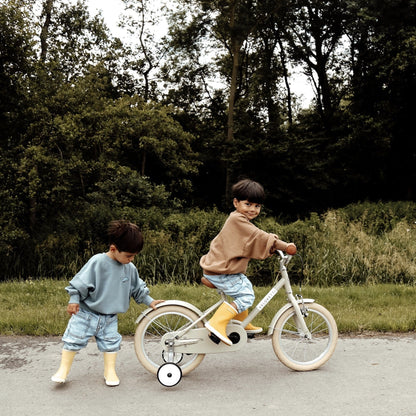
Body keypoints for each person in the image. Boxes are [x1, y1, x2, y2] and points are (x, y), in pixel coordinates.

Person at [51, 220, 164, 386]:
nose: (131, 259)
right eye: (128, 255)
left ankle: (109, 371)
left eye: (134, 256)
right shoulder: (97, 262)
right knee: (73, 339)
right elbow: (80, 283)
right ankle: (63, 370)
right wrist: (74, 300)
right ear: (113, 249)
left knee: (111, 344)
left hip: (110, 318)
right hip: (85, 314)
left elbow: (137, 288)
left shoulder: (129, 268)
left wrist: (150, 301)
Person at [200, 179, 296, 345]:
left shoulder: (239, 219)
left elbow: (253, 239)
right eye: (248, 204)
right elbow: (259, 236)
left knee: (245, 286)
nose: (253, 209)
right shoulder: (237, 220)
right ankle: (216, 323)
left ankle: (241, 324)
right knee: (246, 295)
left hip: (222, 269)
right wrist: (285, 246)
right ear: (236, 202)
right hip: (220, 271)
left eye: (257, 206)